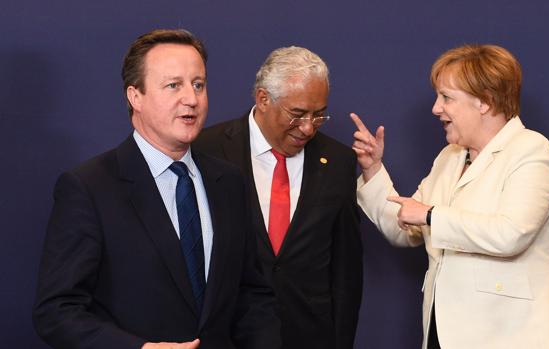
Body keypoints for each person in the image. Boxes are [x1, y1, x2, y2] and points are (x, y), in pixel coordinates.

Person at [33, 29, 280, 349]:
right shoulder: (89, 187)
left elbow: (253, 295)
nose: (191, 99)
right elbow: (56, 311)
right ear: (135, 96)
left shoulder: (229, 182)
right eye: (173, 85)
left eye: (198, 85)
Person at [351, 44, 549, 348]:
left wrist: (431, 215)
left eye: (446, 97)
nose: (436, 108)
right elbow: (404, 227)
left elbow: (511, 234)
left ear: (485, 101)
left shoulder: (531, 150)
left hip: (512, 334)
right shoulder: (450, 156)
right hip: (445, 332)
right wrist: (373, 170)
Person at [193, 46, 363, 349]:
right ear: (262, 99)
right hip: (229, 336)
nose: (309, 127)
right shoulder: (207, 150)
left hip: (310, 336)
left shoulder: (338, 161)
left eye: (318, 114)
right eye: (297, 114)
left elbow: (346, 271)